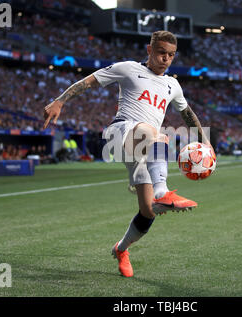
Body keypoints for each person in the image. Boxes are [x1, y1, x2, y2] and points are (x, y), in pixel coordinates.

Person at [43, 31, 213, 278]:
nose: (165, 58)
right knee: (156, 134)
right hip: (120, 132)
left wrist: (205, 143)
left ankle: (121, 249)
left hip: (145, 148)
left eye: (171, 55)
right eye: (161, 52)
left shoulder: (173, 85)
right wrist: (60, 101)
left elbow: (187, 114)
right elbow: (89, 81)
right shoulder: (128, 69)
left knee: (148, 211)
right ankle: (162, 191)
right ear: (149, 50)